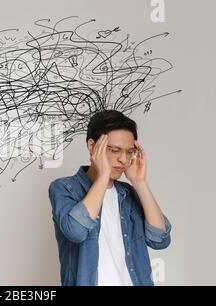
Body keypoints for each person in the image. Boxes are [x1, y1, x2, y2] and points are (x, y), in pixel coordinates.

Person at [48, 110, 171, 286]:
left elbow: (160, 239)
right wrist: (103, 174)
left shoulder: (128, 194)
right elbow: (76, 231)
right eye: (114, 150)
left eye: (130, 152)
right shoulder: (64, 188)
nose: (123, 159)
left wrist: (140, 182)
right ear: (92, 146)